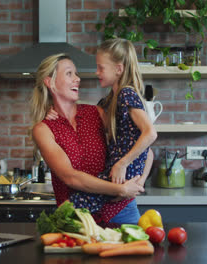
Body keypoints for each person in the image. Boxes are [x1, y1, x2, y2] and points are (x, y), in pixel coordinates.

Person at [31, 53, 152, 225]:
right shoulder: (43, 129)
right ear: (50, 83)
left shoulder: (97, 113)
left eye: (76, 73)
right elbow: (70, 177)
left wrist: (137, 184)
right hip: (78, 219)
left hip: (121, 210)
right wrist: (120, 188)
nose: (77, 79)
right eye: (69, 73)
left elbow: (144, 150)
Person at [67, 38, 157, 222]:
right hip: (122, 175)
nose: (96, 72)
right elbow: (149, 153)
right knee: (77, 207)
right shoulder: (111, 100)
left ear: (118, 69)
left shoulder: (127, 94)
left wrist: (121, 164)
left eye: (101, 68)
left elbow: (151, 134)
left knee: (72, 208)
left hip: (123, 172)